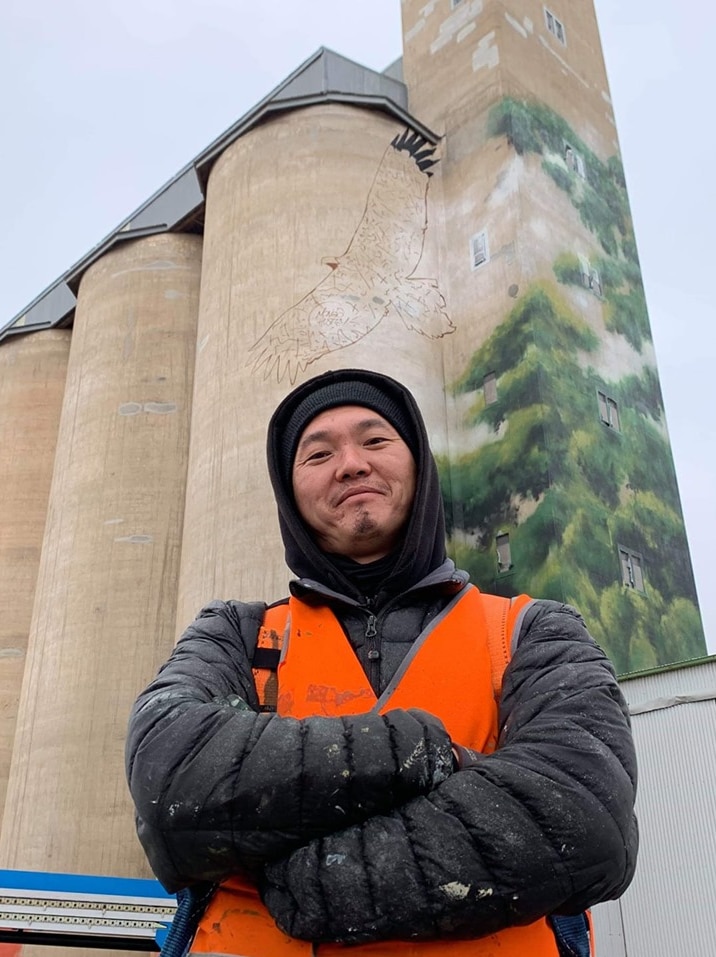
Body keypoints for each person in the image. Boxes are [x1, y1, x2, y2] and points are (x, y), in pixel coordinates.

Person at [126, 368, 638, 957]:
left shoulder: (530, 631)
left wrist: (323, 878)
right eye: (317, 454)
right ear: (289, 491)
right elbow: (171, 782)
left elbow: (583, 816)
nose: (350, 464)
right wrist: (423, 755)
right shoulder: (237, 635)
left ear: (419, 464)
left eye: (375, 441)